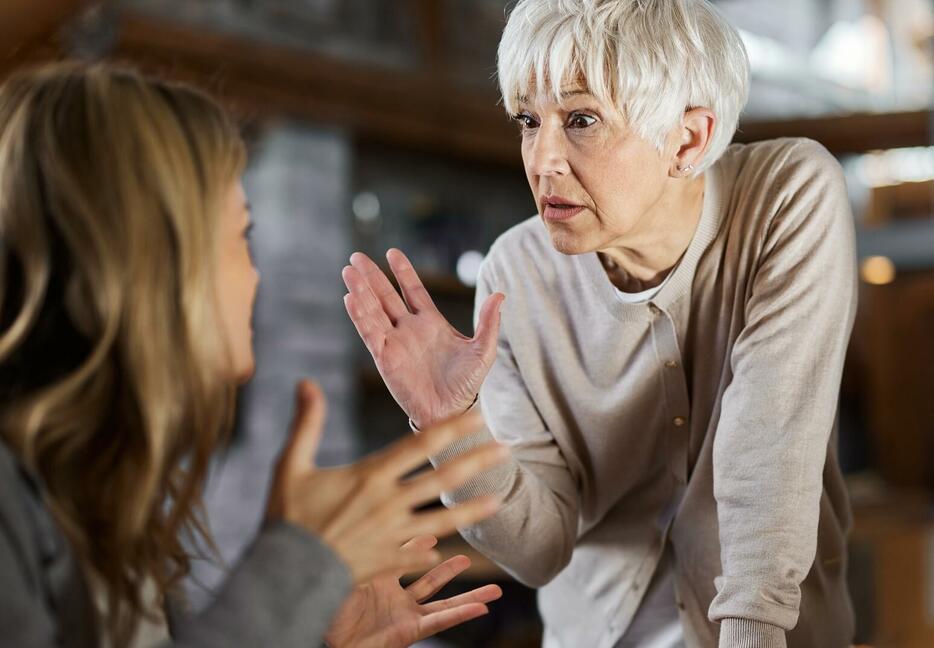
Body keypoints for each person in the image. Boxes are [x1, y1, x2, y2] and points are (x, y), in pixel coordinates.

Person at [342, 0, 858, 646]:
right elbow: (539, 547)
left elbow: (768, 460)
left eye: (581, 119)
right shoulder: (515, 275)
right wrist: (452, 430)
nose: (542, 158)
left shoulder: (788, 197)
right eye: (530, 121)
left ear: (688, 139)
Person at [0, 62, 508, 648]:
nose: (256, 276)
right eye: (240, 236)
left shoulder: (102, 501)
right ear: (147, 263)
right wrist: (298, 565)